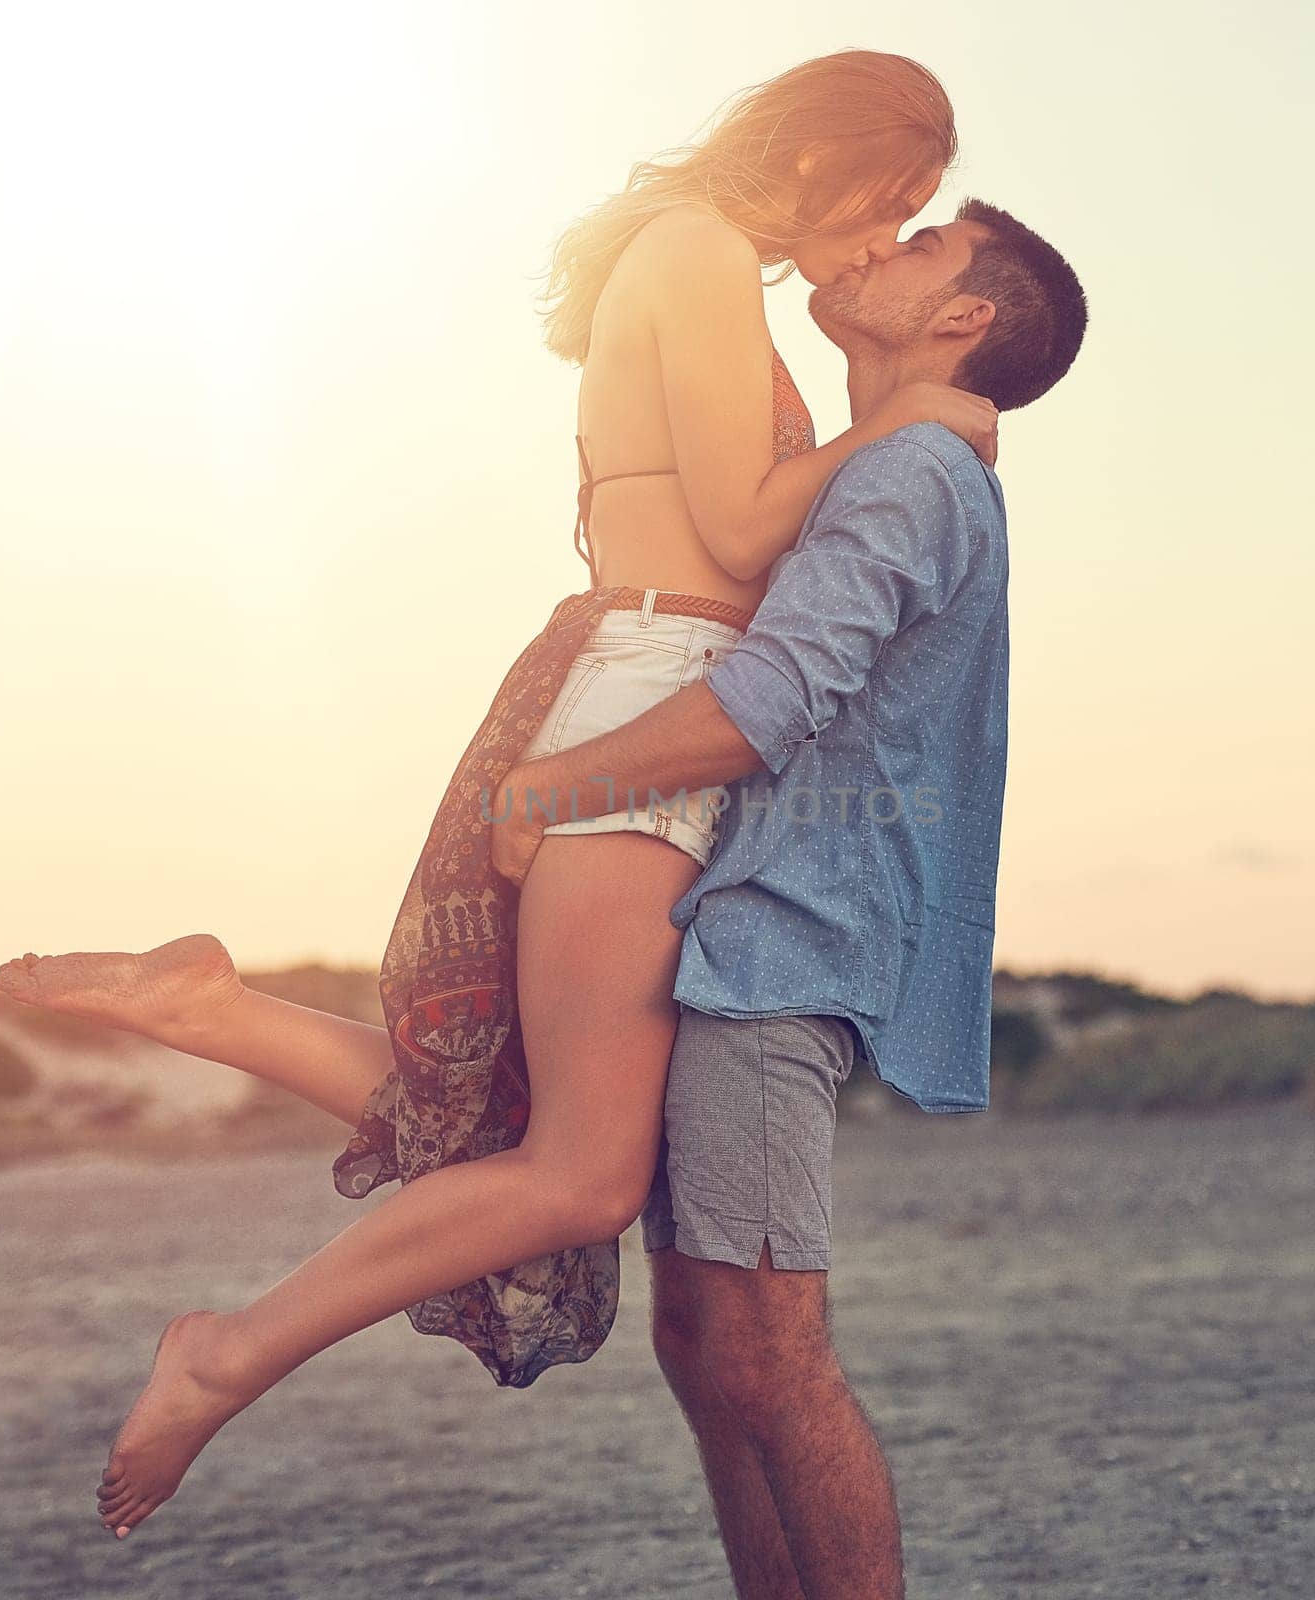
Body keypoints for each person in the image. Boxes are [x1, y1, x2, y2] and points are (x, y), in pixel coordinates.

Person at [0, 50, 999, 1539]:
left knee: (530, 1120)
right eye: (889, 199)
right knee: (584, 1178)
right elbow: (735, 522)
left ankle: (220, 1014)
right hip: (658, 685)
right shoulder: (707, 252)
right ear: (819, 156)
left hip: (649, 674)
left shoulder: (695, 258)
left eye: (915, 218)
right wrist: (911, 426)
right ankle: (225, 1353)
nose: (876, 235)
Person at [489, 196, 1089, 1600]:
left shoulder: (911, 478)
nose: (878, 247)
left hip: (786, 946)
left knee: (766, 1347)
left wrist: (547, 788)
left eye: (922, 244)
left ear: (964, 323)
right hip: (746, 931)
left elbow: (762, 706)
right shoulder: (870, 466)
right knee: (703, 1338)